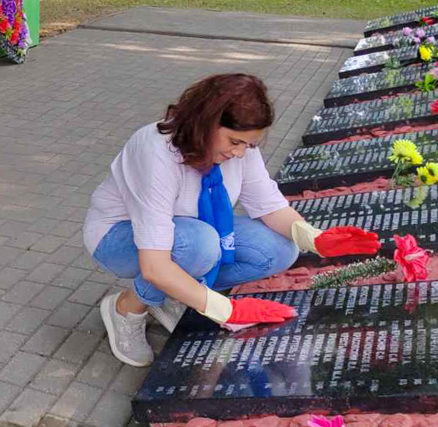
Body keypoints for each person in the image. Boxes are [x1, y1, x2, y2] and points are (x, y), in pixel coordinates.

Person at [83, 73, 379, 366]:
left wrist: (314, 238)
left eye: (249, 145)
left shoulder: (241, 150)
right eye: (235, 142)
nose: (240, 153)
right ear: (206, 122)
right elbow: (154, 264)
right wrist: (225, 309)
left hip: (192, 234)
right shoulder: (156, 151)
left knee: (279, 248)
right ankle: (126, 308)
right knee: (200, 245)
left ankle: (178, 294)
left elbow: (269, 205)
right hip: (119, 238)